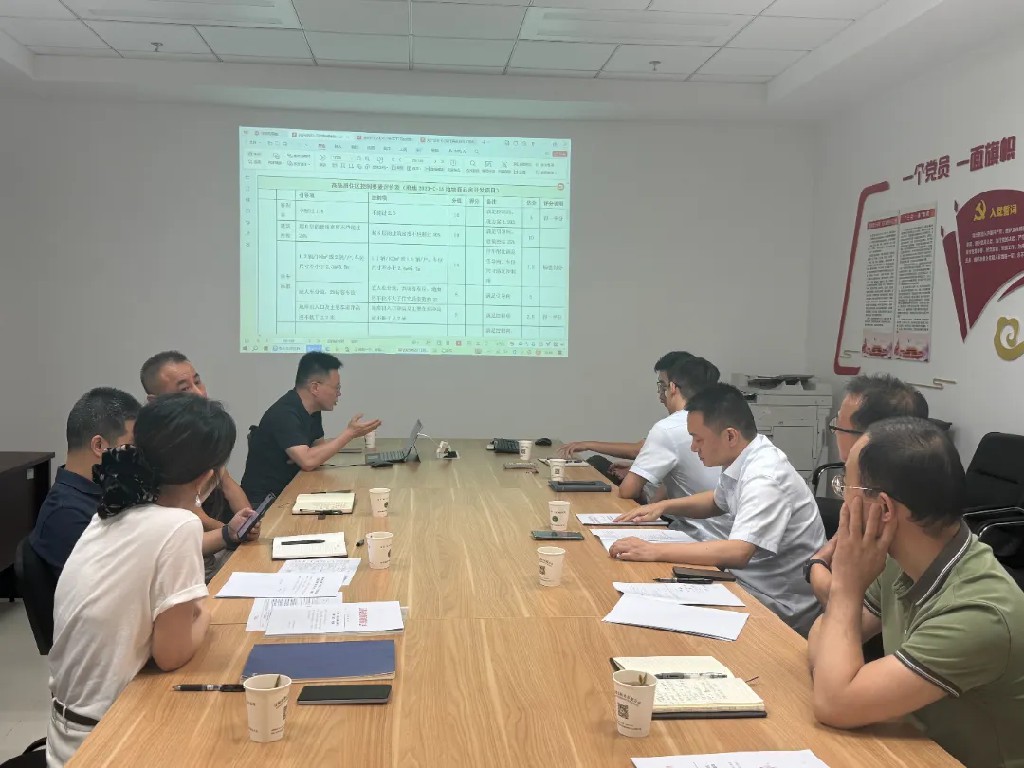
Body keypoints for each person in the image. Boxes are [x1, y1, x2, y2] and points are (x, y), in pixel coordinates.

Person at [807, 418, 1024, 768]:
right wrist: (839, 675)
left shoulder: (980, 612)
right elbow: (824, 639)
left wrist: (846, 584)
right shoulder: (899, 560)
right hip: (911, 746)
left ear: (884, 509)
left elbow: (834, 702)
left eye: (844, 485)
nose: (842, 498)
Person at [47, 394, 231, 767]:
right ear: (206, 479)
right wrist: (207, 615)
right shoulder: (178, 525)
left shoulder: (112, 511)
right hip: (108, 739)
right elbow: (171, 655)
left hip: (67, 733)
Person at [612, 384, 825, 636]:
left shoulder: (765, 477)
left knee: (658, 620)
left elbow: (738, 552)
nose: (693, 448)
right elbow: (716, 501)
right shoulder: (744, 457)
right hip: (745, 584)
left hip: (777, 604)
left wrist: (653, 550)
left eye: (698, 439)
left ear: (730, 436)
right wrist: (663, 505)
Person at [807, 373, 929, 604]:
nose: (835, 432)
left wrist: (815, 565)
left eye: (838, 425)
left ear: (868, 439)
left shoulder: (881, 511)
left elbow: (842, 602)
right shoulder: (916, 482)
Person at [140, 351, 260, 579]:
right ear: (154, 401)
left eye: (197, 382)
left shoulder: (200, 434)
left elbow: (228, 485)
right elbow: (191, 514)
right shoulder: (157, 446)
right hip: (183, 564)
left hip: (200, 548)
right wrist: (232, 531)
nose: (199, 393)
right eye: (184, 388)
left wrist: (250, 520)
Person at [29, 388, 140, 582]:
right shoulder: (67, 515)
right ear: (99, 446)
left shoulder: (106, 495)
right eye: (134, 445)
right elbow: (115, 586)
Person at [242, 352, 380, 503]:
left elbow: (317, 452)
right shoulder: (284, 413)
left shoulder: (312, 410)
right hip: (265, 503)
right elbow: (308, 461)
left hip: (292, 490)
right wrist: (349, 434)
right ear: (315, 387)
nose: (339, 393)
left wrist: (307, 456)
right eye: (336, 388)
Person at [559, 350, 693, 482]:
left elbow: (638, 450)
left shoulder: (678, 426)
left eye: (663, 387)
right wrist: (637, 469)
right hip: (654, 487)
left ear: (674, 388)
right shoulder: (683, 421)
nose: (660, 394)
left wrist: (588, 445)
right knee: (597, 463)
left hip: (652, 493)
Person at [615, 356, 722, 511]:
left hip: (690, 523)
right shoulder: (723, 420)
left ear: (672, 388)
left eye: (662, 386)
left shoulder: (669, 428)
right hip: (728, 521)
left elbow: (627, 491)